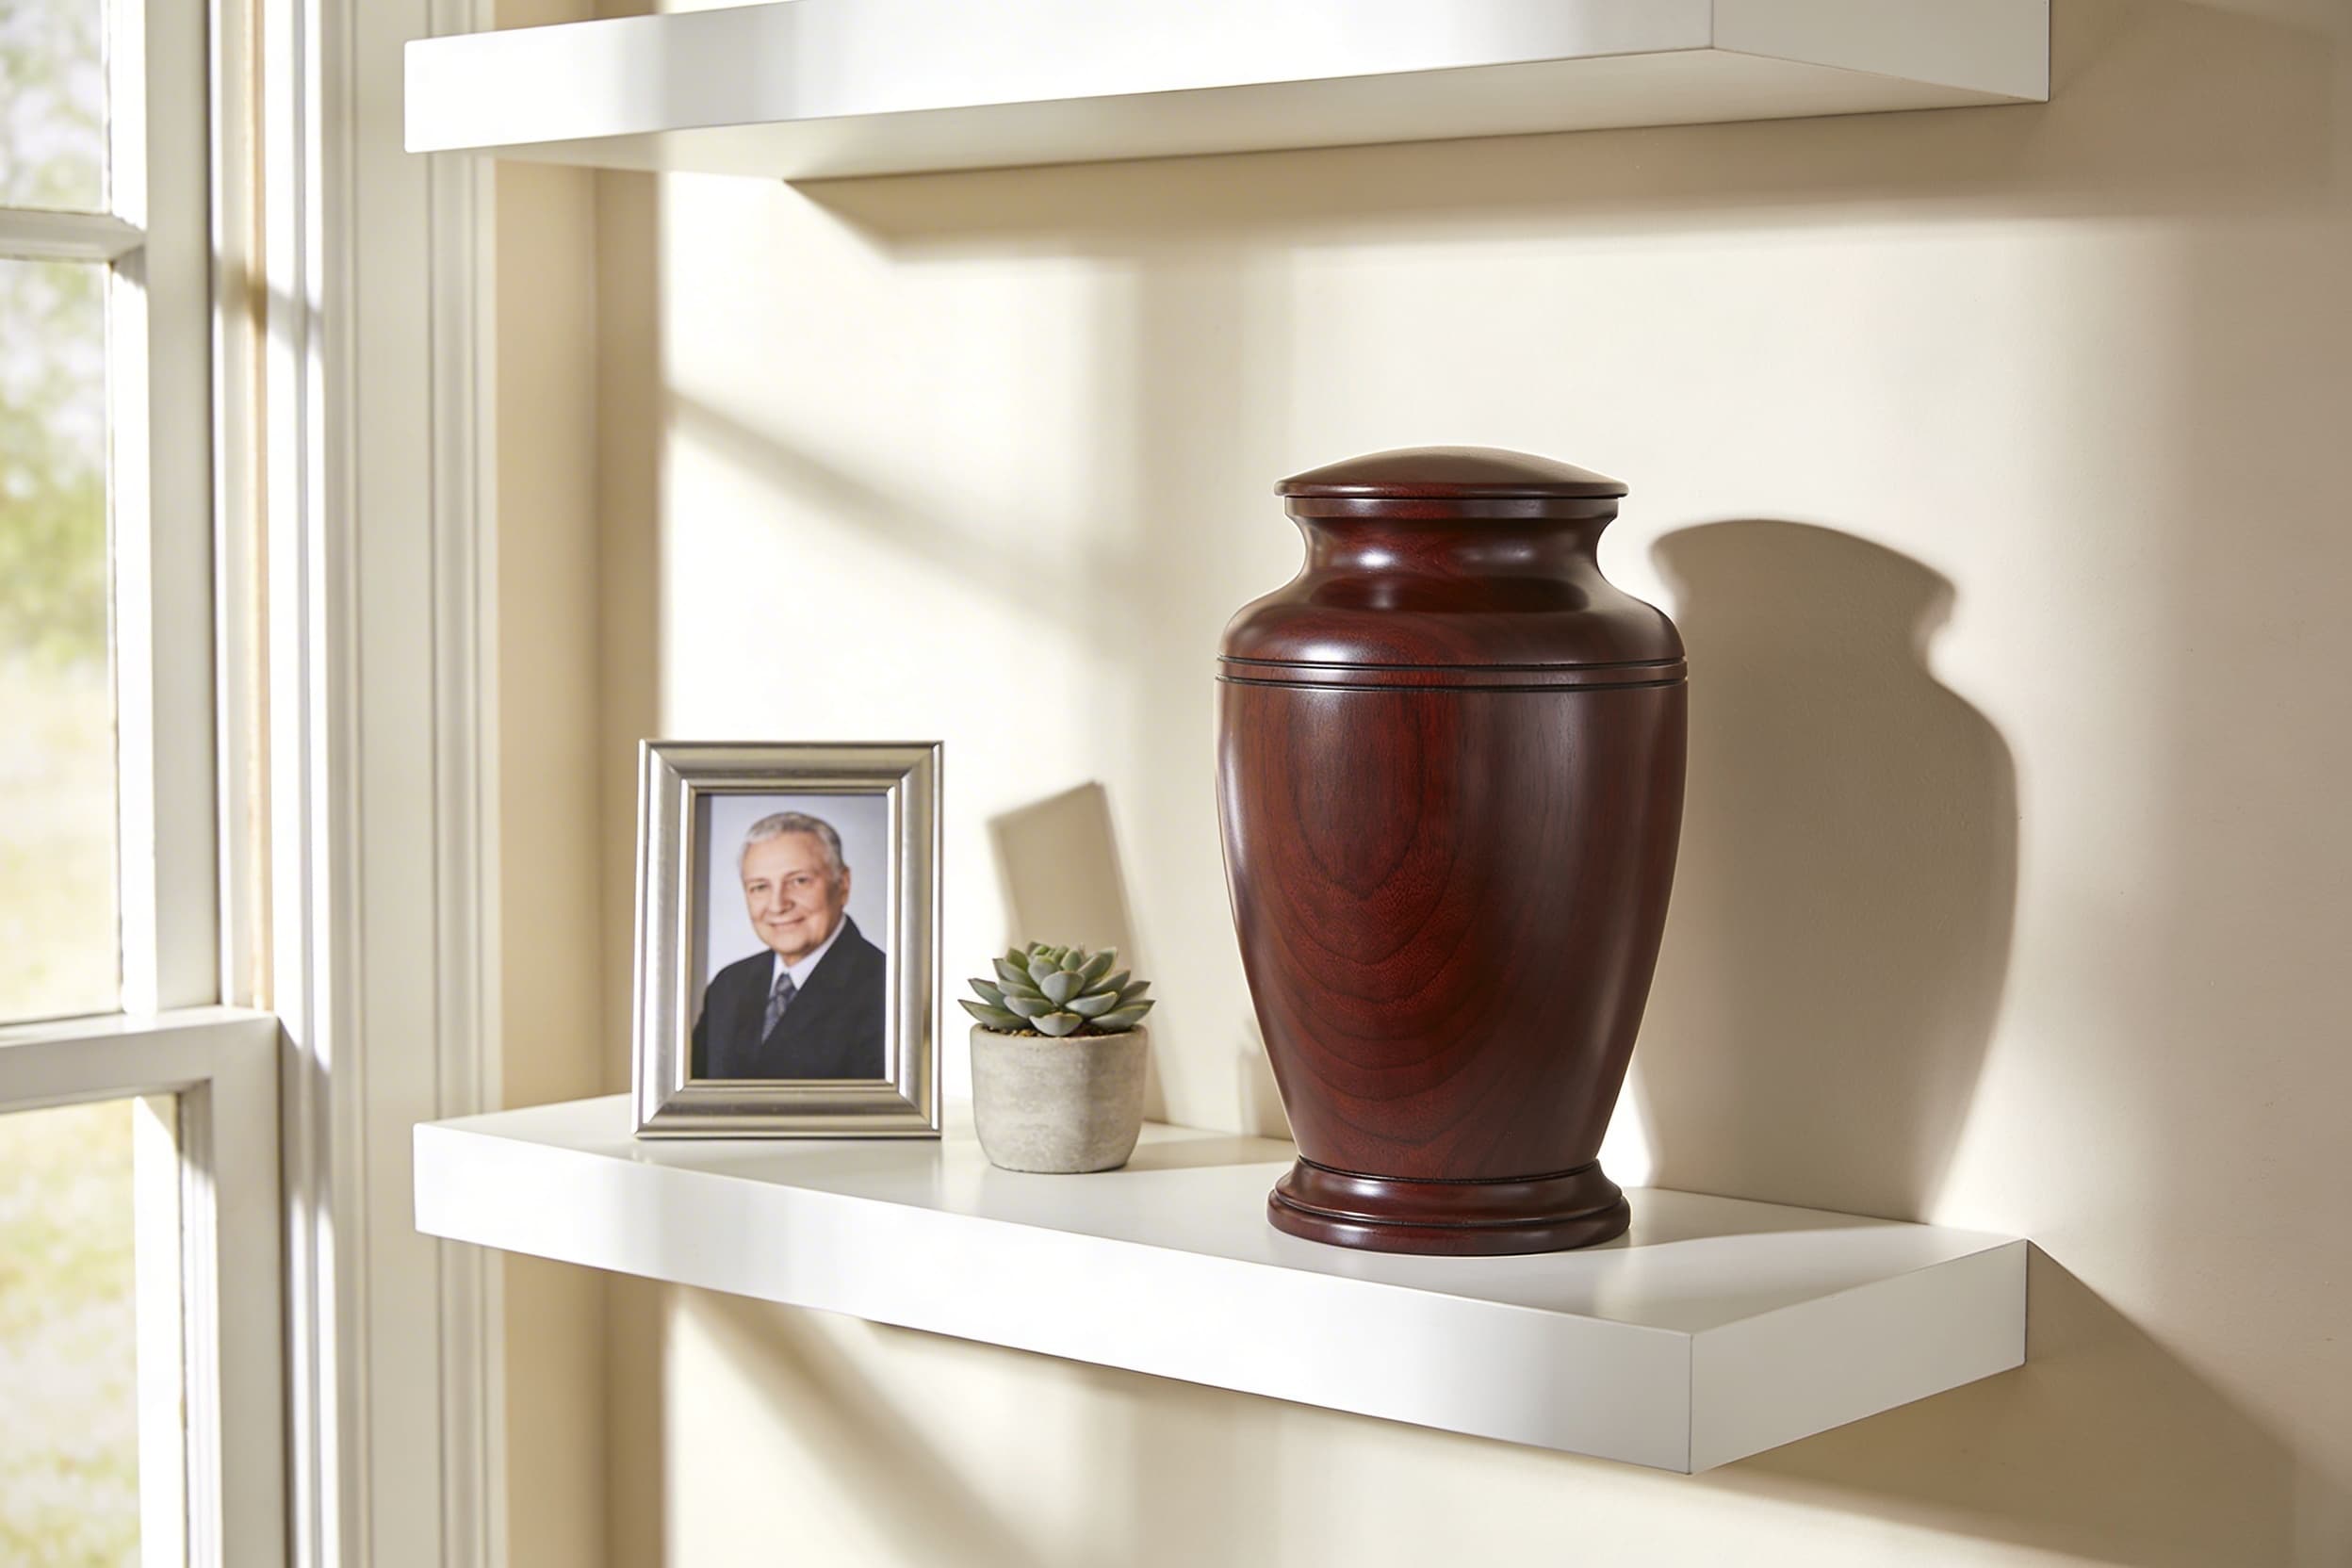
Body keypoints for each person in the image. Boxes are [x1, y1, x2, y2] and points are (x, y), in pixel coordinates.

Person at [691, 809, 887, 1080]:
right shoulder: (728, 986)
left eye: (799, 881)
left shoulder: (886, 989)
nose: (778, 905)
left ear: (842, 884)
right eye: (760, 887)